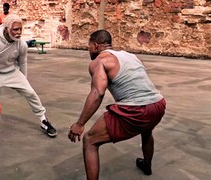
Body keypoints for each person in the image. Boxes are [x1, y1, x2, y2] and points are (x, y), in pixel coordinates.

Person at [68, 30, 166, 179]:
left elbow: (98, 93)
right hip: (157, 104)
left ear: (95, 45)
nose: (89, 50)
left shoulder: (99, 61)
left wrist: (80, 124)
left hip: (136, 110)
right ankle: (147, 166)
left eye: (89, 47)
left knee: (90, 141)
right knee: (146, 131)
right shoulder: (130, 55)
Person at [0, 14, 58, 141]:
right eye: (15, 29)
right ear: (6, 28)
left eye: (20, 29)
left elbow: (23, 63)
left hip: (12, 72)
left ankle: (44, 121)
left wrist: (23, 81)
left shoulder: (21, 44)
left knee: (31, 93)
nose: (18, 32)